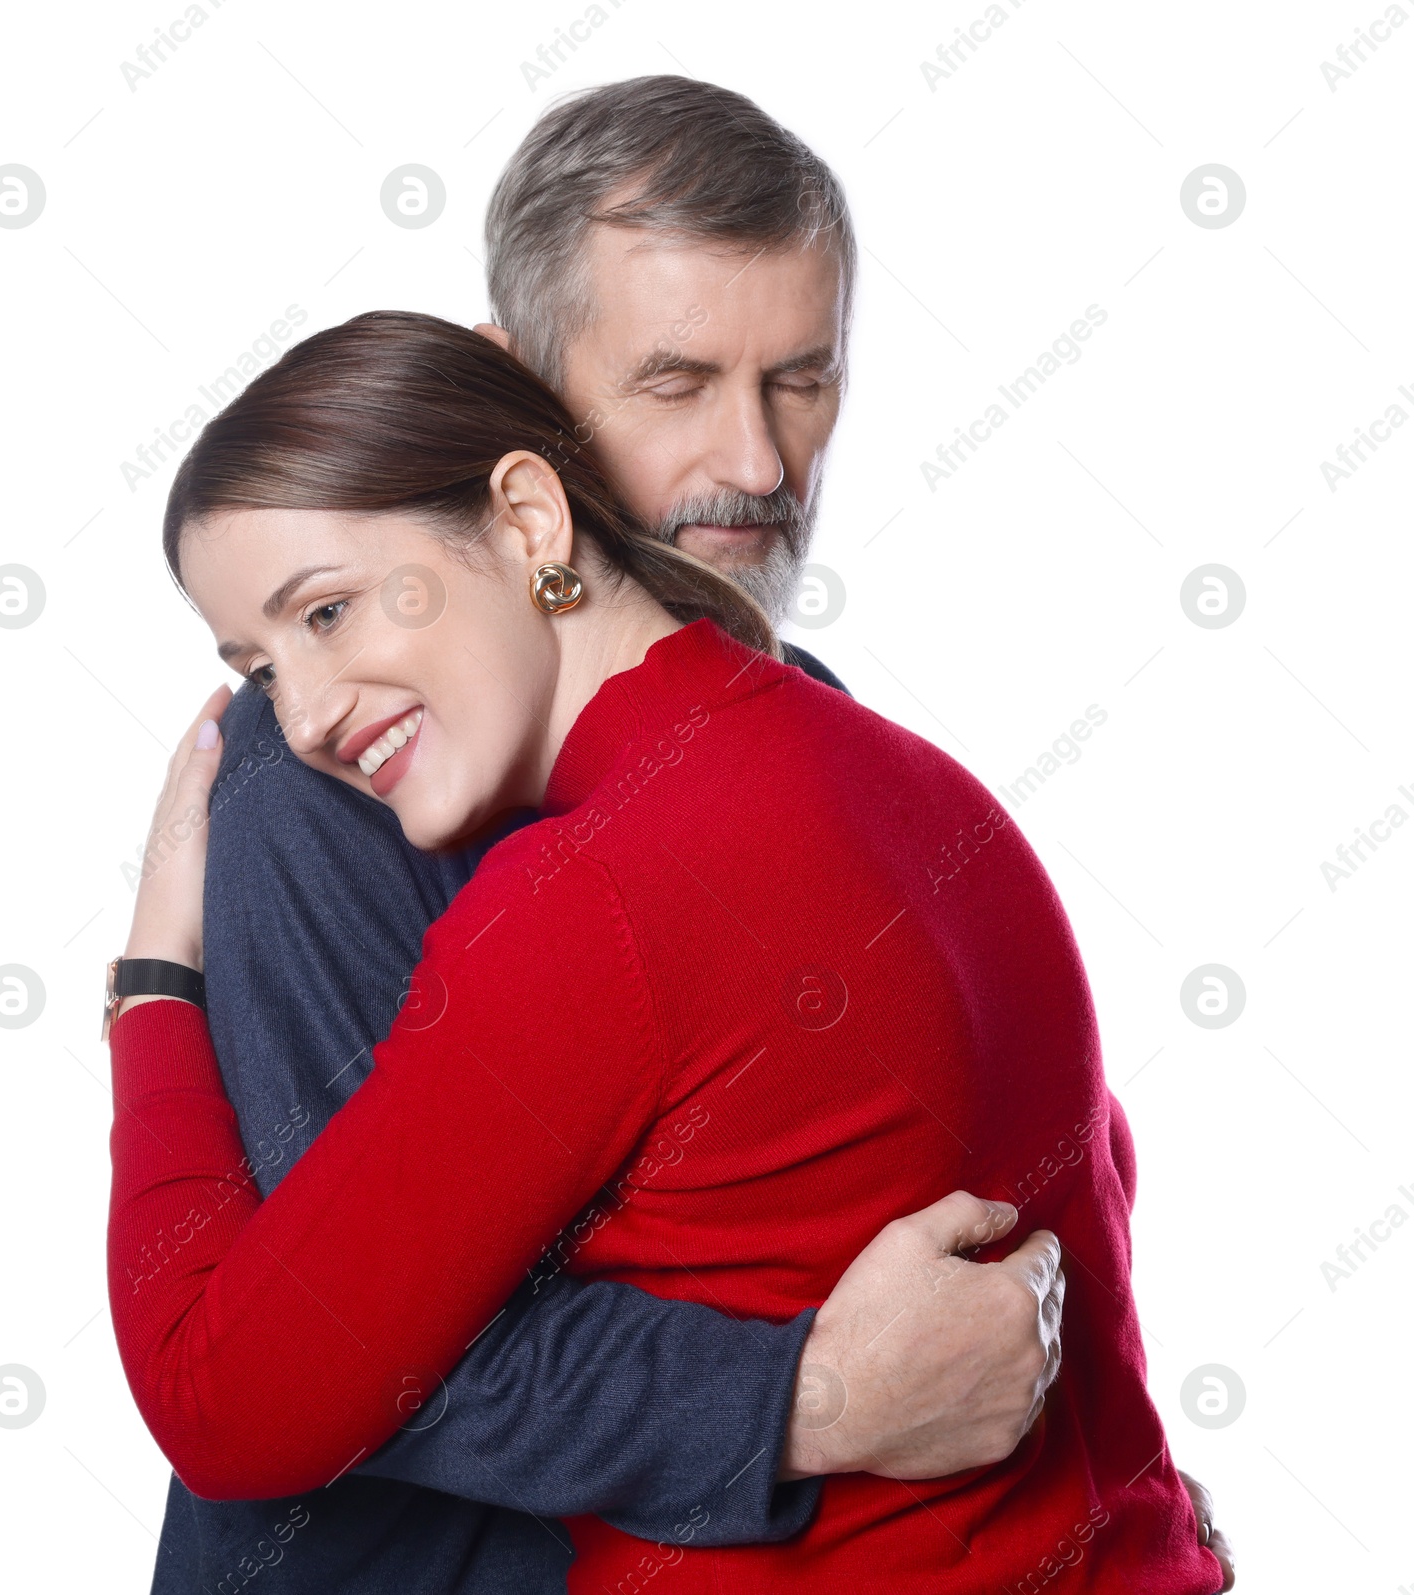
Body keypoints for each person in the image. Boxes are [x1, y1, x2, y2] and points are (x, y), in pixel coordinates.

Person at [140, 76, 1110, 1595]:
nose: (763, 462)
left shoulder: (813, 727)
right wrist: (809, 1400)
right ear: (515, 401)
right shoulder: (321, 777)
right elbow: (323, 1355)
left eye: (801, 379)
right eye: (675, 382)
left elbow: (1028, 1211)